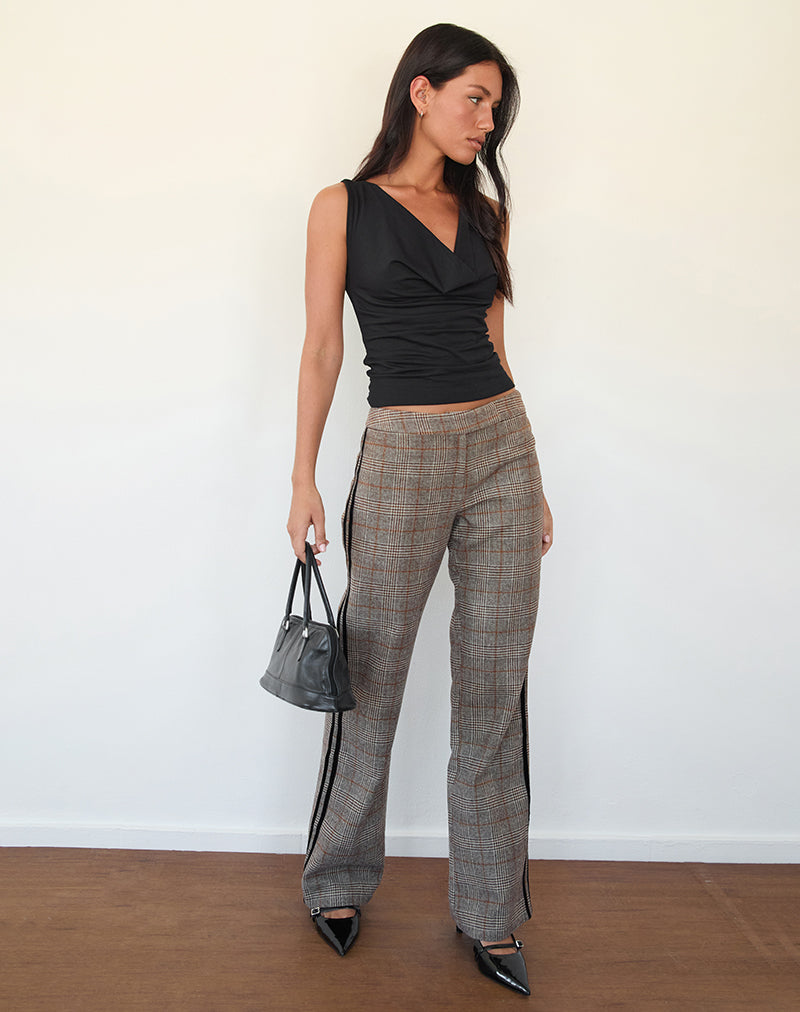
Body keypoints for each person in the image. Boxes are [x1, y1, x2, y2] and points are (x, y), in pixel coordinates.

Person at [287, 23, 553, 997]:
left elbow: (496, 346)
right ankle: (336, 879)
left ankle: (488, 911)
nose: (486, 121)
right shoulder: (342, 207)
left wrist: (534, 478)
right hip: (400, 450)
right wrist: (303, 477)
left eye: (495, 107)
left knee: (493, 687)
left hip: (500, 447)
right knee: (371, 673)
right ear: (420, 92)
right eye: (474, 98)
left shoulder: (486, 216)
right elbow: (323, 347)